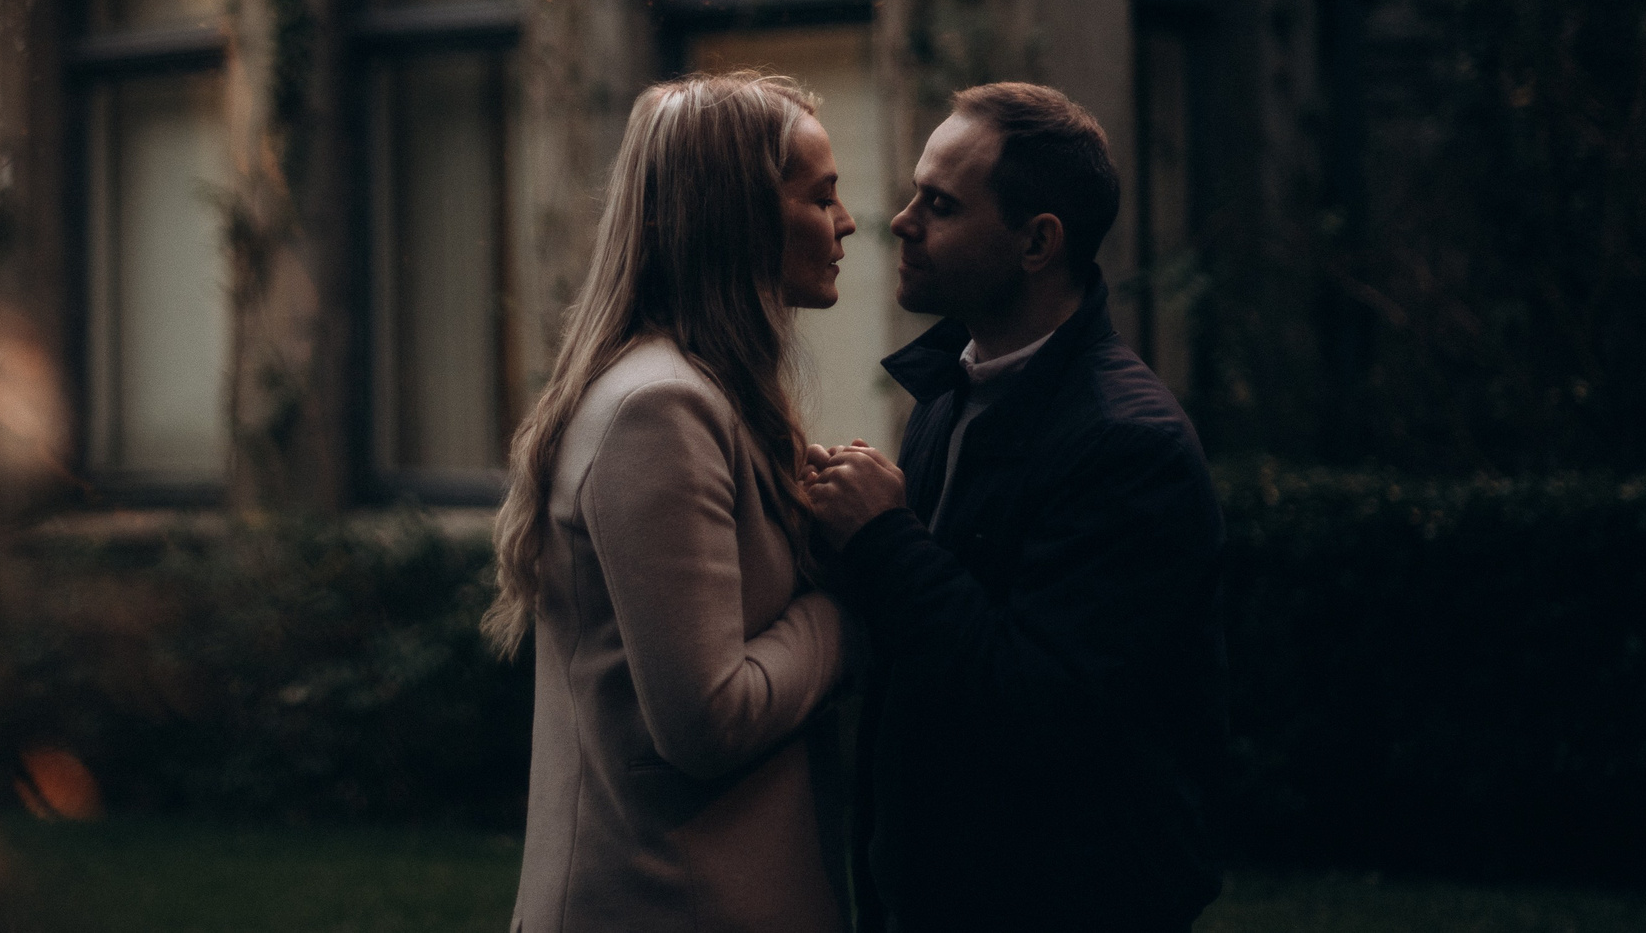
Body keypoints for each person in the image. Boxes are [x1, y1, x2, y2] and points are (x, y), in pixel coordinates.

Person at [805, 82, 1227, 933]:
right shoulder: (951, 393)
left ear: (1038, 242)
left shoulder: (1128, 447)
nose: (899, 221)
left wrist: (886, 538)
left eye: (940, 203)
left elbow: (1034, 705)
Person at [488, 72, 860, 933]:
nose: (846, 224)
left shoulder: (706, 393)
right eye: (822, 196)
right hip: (666, 903)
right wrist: (851, 602)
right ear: (738, 217)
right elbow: (708, 718)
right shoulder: (659, 409)